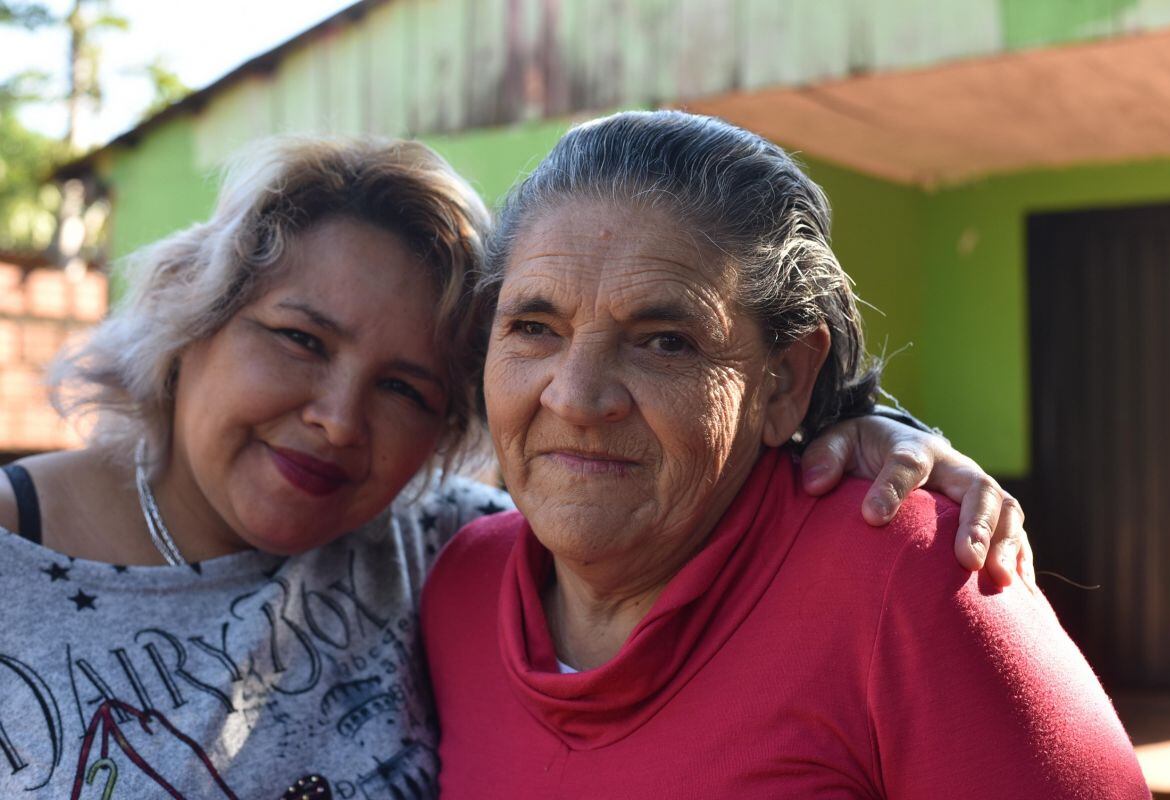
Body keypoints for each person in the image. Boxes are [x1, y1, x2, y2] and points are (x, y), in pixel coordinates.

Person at [0, 134, 1025, 798]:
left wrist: (862, 421)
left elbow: (622, 459)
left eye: (406, 387)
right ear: (192, 316)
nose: (339, 418)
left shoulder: (433, 546)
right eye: (301, 339)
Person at [421, 111, 1149, 798]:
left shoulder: (915, 579)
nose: (576, 398)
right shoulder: (459, 586)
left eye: (665, 341)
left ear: (785, 382)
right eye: (534, 326)